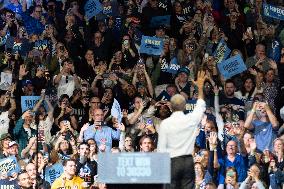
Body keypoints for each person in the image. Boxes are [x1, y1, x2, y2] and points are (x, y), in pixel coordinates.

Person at [158, 71, 207, 189]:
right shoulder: (189, 120)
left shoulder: (165, 124)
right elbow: (201, 105)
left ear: (171, 106)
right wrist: (200, 87)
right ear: (184, 106)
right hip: (186, 163)